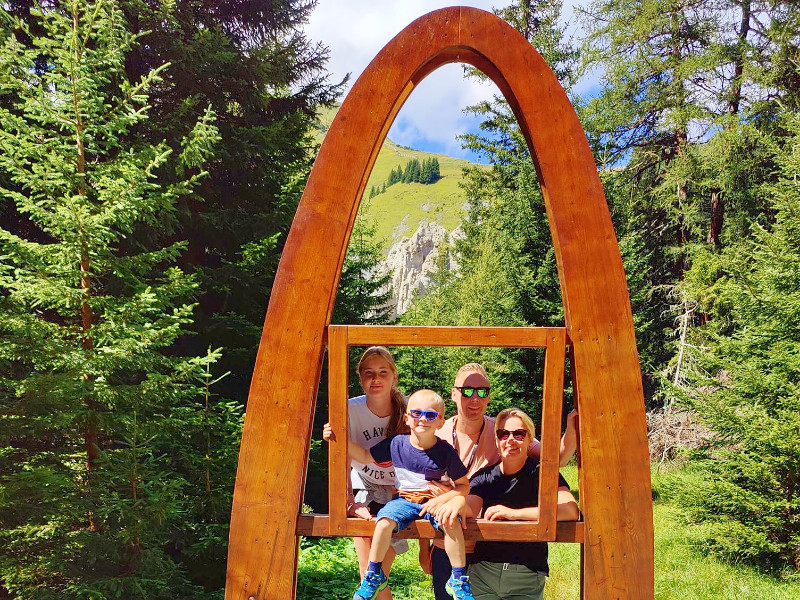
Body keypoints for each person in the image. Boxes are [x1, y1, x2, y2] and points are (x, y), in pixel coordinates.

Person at [419, 363, 579, 599]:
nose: (475, 398)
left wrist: (572, 428)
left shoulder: (503, 430)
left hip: (483, 548)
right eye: (467, 391)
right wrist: (424, 548)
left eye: (482, 391)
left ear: (489, 396)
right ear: (454, 393)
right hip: (446, 544)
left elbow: (556, 460)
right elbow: (419, 494)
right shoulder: (435, 434)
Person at [345, 390, 476, 600]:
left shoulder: (445, 451)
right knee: (383, 521)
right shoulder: (397, 443)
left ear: (440, 422)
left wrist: (443, 500)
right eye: (416, 413)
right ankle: (374, 574)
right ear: (406, 418)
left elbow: (463, 486)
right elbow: (363, 455)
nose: (422, 419)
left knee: (451, 521)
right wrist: (336, 437)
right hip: (404, 500)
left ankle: (458, 578)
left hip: (434, 502)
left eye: (430, 415)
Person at [322, 346, 409, 600]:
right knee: (367, 572)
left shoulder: (407, 410)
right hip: (363, 487)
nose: (376, 379)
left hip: (398, 493)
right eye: (369, 373)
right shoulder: (349, 409)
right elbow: (343, 458)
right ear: (360, 379)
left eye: (383, 372)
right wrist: (349, 501)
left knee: (378, 572)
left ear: (394, 376)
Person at [465, 407, 579, 599]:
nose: (510, 439)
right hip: (483, 572)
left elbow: (570, 510)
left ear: (529, 440)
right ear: (497, 441)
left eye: (518, 434)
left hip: (525, 574)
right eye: (503, 434)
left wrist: (513, 514)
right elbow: (468, 509)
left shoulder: (543, 474)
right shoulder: (484, 477)